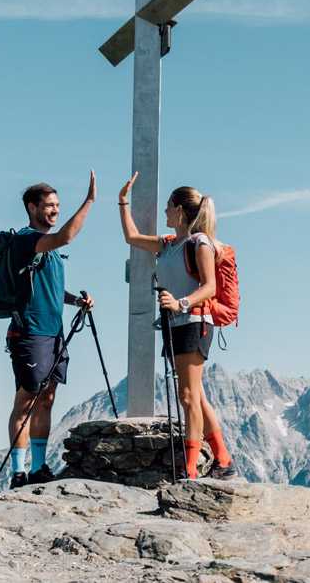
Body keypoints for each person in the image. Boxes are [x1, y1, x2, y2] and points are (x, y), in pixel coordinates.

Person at [118, 173, 235, 480]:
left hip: (194, 321)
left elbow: (209, 287)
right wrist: (122, 201)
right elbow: (131, 237)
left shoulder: (200, 243)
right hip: (175, 323)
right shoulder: (169, 244)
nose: (165, 212)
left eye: (168, 207)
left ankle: (190, 467)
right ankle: (223, 458)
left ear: (181, 210)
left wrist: (180, 303)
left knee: (187, 396)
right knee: (195, 395)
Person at [6, 172, 96, 488]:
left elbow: (52, 290)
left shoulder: (50, 249)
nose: (55, 210)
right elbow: (67, 236)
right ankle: (18, 472)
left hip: (53, 333)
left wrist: (76, 301)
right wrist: (89, 202)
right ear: (32, 208)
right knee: (27, 400)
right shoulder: (26, 240)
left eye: (58, 205)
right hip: (30, 332)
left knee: (47, 398)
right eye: (49, 205)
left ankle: (39, 468)